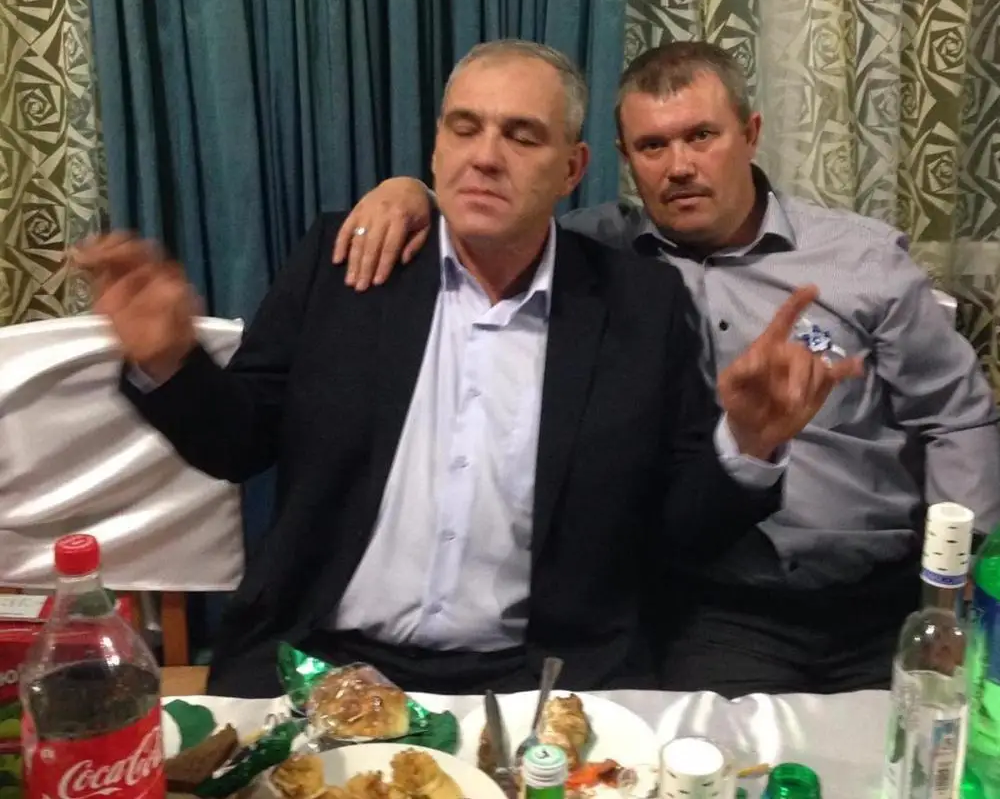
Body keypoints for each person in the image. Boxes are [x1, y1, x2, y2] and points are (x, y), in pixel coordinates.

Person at [76, 40, 857, 698]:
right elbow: (237, 443)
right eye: (465, 128)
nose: (486, 156)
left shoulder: (639, 304)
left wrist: (747, 444)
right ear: (436, 149)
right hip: (322, 666)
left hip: (540, 684)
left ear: (573, 167)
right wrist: (170, 362)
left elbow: (677, 531)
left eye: (522, 136)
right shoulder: (348, 265)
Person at [331, 40, 1000, 697]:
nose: (679, 167)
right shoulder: (597, 260)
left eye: (701, 136)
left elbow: (956, 416)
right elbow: (498, 213)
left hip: (885, 593)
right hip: (716, 605)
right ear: (623, 159)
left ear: (750, 134)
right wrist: (409, 194)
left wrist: (960, 581)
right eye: (652, 146)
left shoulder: (861, 261)